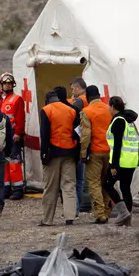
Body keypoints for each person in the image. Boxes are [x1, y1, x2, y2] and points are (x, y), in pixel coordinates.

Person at [39, 90, 79, 226]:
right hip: (70, 152)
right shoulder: (71, 110)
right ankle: (70, 217)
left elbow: (44, 134)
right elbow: (76, 132)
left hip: (53, 153)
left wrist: (43, 154)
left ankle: (47, 219)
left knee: (50, 187)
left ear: (47, 100)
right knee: (69, 185)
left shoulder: (46, 110)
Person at [104, 96, 139, 227]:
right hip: (131, 160)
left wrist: (113, 165)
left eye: (109, 106)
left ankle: (123, 212)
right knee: (125, 188)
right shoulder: (129, 120)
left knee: (107, 184)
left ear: (112, 106)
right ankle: (128, 218)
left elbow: (118, 144)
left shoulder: (118, 120)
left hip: (121, 161)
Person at [79, 85, 112, 224]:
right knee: (106, 182)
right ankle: (107, 211)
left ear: (87, 97)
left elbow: (86, 135)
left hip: (95, 152)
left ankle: (100, 214)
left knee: (94, 183)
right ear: (99, 95)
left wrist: (83, 153)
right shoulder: (109, 109)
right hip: (109, 151)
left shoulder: (87, 111)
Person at [54, 85, 83, 218]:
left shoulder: (55, 110)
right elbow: (78, 131)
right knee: (79, 181)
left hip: (62, 150)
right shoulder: (73, 109)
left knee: (66, 183)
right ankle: (76, 210)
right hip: (77, 148)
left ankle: (70, 209)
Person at [0, 72, 26, 200]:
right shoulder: (0, 100)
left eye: (9, 83)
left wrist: (18, 133)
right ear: (1, 85)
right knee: (4, 163)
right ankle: (6, 189)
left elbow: (20, 118)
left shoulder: (17, 99)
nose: (8, 86)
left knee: (14, 163)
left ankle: (18, 189)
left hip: (13, 136)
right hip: (2, 136)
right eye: (5, 84)